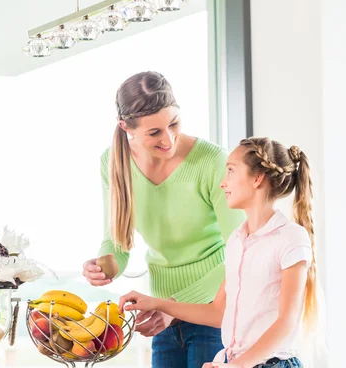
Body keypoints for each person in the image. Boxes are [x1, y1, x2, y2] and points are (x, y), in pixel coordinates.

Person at [82, 71, 246, 368]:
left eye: (174, 124)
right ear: (126, 127)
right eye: (154, 132)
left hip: (214, 312)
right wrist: (103, 266)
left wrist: (173, 307)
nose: (168, 139)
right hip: (162, 317)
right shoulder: (113, 163)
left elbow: (241, 250)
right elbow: (117, 241)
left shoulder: (212, 161)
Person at [119, 137, 319, 368]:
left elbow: (287, 321)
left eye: (231, 171)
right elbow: (217, 311)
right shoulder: (236, 240)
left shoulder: (291, 238)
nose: (223, 183)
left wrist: (237, 366)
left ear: (257, 178)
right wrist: (157, 303)